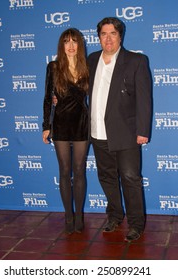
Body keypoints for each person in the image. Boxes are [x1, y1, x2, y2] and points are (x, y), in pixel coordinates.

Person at [87, 17, 152, 241]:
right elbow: (79, 88)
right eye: (103, 34)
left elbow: (144, 100)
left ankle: (136, 224)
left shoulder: (136, 61)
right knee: (106, 177)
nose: (108, 38)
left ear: (120, 36)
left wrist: (143, 130)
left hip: (126, 133)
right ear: (98, 37)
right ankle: (114, 215)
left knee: (130, 177)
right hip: (96, 132)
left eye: (112, 33)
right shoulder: (92, 59)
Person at [42, 28, 89, 234]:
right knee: (64, 171)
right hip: (60, 123)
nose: (70, 46)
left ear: (80, 44)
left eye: (74, 41)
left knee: (79, 171)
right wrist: (46, 125)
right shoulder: (53, 67)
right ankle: (68, 215)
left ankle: (79, 215)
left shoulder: (88, 66)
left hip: (81, 123)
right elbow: (47, 98)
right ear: (61, 45)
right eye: (66, 41)